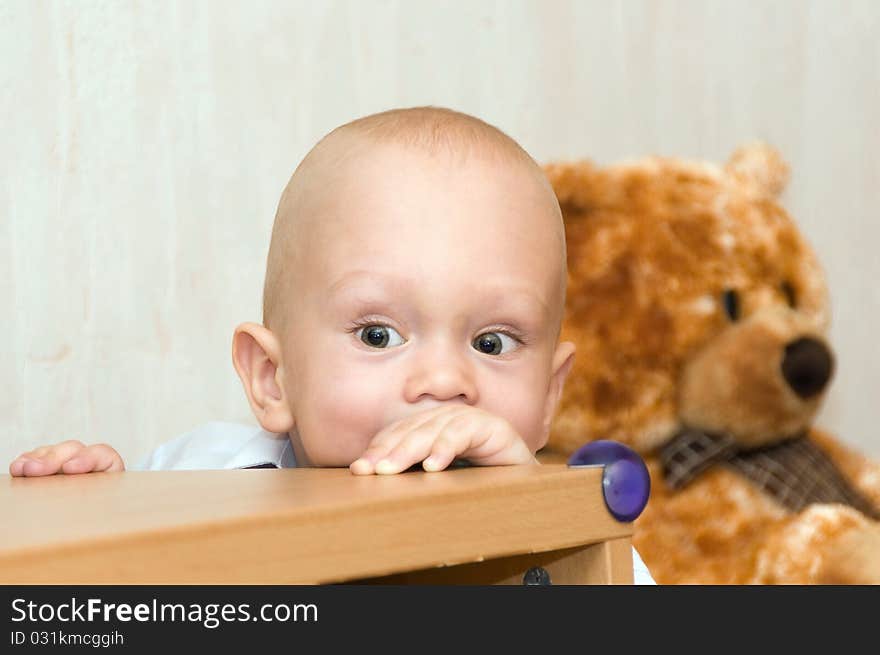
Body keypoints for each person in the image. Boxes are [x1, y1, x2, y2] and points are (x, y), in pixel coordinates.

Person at [8, 106, 655, 584]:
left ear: (548, 396)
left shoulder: (573, 528)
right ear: (271, 379)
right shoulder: (203, 478)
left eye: (492, 340)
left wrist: (526, 524)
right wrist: (87, 510)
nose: (444, 380)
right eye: (379, 334)